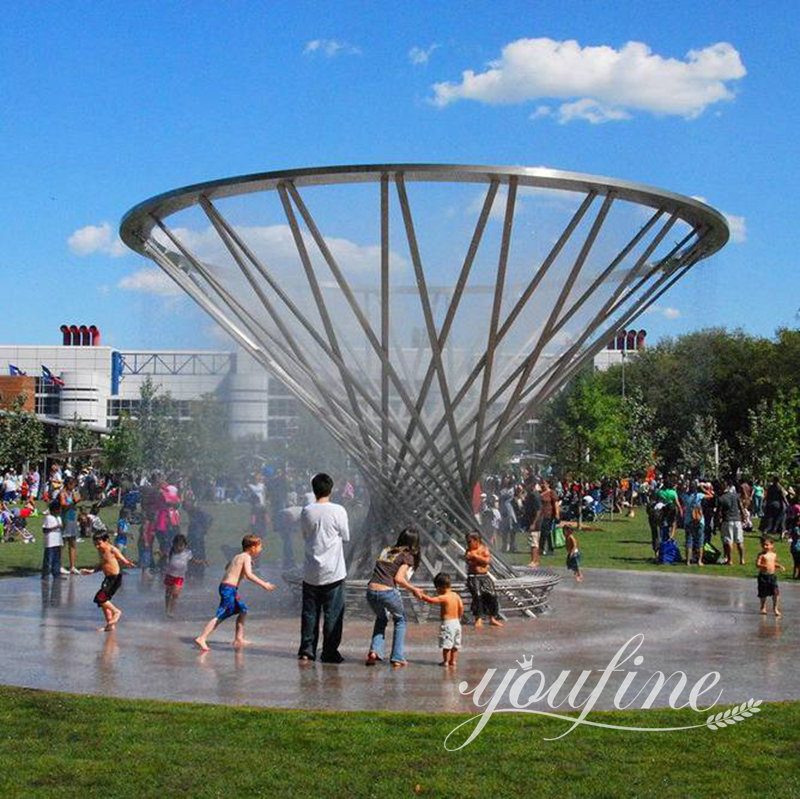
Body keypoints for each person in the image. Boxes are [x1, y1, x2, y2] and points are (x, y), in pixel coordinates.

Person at [297, 473, 350, 663]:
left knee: (310, 613)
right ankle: (329, 652)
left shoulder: (307, 511)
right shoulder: (338, 510)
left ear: (314, 490)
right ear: (331, 489)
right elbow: (346, 536)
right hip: (333, 571)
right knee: (333, 614)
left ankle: (307, 650)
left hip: (311, 571)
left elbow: (305, 534)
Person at [194, 534, 276, 651]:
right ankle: (202, 638)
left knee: (243, 610)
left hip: (228, 588)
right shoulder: (246, 557)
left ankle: (238, 638)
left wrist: (240, 568)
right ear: (252, 547)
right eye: (260, 546)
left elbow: (227, 566)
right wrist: (264, 584)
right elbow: (249, 575)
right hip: (228, 589)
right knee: (222, 614)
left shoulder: (238, 556)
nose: (261, 549)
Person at [365, 527, 423, 668]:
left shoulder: (387, 550)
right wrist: (414, 589)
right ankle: (397, 657)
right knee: (400, 620)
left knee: (382, 618)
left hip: (371, 591)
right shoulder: (407, 555)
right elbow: (399, 578)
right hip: (387, 591)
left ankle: (374, 652)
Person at [80, 531, 135, 631]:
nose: (97, 546)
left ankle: (116, 612)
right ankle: (110, 626)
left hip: (115, 579)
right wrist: (92, 571)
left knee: (100, 598)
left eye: (99, 543)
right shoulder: (101, 551)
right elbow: (102, 564)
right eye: (95, 544)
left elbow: (122, 559)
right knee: (103, 602)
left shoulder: (112, 549)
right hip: (108, 579)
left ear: (106, 541)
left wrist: (128, 563)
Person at [419, 572, 464, 667]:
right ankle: (453, 661)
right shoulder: (456, 595)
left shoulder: (444, 597)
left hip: (448, 624)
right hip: (457, 622)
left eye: (437, 588)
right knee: (455, 644)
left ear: (440, 587)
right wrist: (459, 617)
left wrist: (421, 595)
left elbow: (431, 600)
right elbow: (461, 607)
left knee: (446, 644)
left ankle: (445, 661)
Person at [464, 531, 503, 628]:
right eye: (467, 542)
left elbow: (487, 561)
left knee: (492, 595)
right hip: (473, 577)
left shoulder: (484, 549)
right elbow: (468, 559)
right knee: (478, 595)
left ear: (476, 540)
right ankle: (478, 618)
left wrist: (476, 557)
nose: (468, 544)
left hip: (484, 576)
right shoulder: (469, 551)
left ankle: (492, 618)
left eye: (469, 541)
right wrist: (475, 559)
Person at [718, 478, 745, 566]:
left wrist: (717, 522)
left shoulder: (722, 498)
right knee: (739, 541)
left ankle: (730, 560)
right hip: (737, 520)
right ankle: (742, 559)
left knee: (729, 541)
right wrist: (744, 516)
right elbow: (741, 506)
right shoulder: (736, 495)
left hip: (727, 520)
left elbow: (719, 512)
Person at [755, 536, 784, 617]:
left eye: (767, 545)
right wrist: (762, 566)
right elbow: (757, 564)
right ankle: (763, 607)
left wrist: (779, 566)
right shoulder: (761, 555)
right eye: (763, 545)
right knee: (763, 593)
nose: (765, 546)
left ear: (772, 545)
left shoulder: (773, 555)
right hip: (763, 577)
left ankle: (775, 608)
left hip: (772, 576)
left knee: (776, 593)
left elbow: (773, 563)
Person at [59, 476, 81, 574]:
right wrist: (73, 502)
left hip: (73, 518)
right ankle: (59, 565)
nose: (73, 486)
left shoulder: (72, 492)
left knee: (73, 543)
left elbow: (78, 498)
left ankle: (72, 566)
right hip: (65, 518)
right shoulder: (62, 493)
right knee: (63, 543)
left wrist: (75, 496)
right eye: (72, 484)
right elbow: (63, 503)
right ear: (68, 484)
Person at [41, 499, 64, 580]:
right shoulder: (48, 518)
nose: (60, 511)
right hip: (50, 542)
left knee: (57, 559)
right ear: (54, 510)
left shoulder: (59, 518)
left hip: (58, 541)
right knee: (48, 559)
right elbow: (44, 530)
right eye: (59, 509)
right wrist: (55, 527)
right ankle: (45, 574)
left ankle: (56, 574)